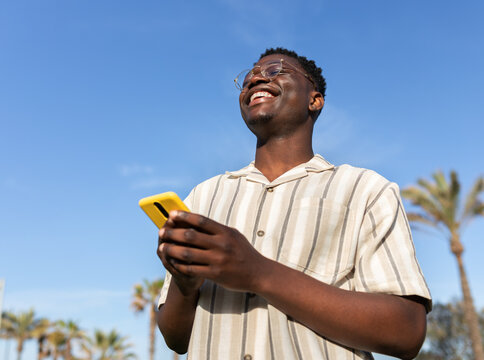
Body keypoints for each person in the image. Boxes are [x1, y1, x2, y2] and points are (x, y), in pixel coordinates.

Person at [156, 47, 431, 360]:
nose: (255, 78)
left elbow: (406, 331)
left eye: (275, 71)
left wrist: (259, 273)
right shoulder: (202, 198)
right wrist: (185, 283)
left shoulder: (366, 190)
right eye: (247, 80)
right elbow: (175, 338)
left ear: (314, 100)